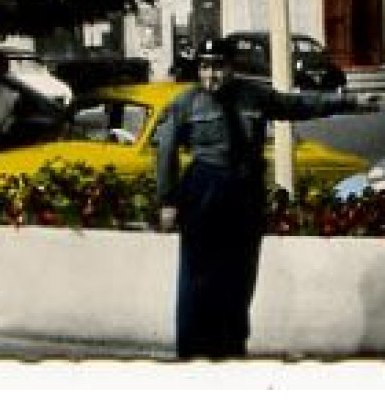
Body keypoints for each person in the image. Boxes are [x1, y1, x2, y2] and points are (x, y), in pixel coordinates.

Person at [155, 35, 373, 360]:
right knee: (198, 276)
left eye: (218, 68)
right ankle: (191, 350)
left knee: (241, 275)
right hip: (205, 190)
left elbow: (297, 105)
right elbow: (166, 152)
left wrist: (348, 103)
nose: (211, 76)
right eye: (204, 68)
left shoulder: (253, 95)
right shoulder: (186, 103)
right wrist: (168, 200)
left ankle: (231, 347)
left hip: (245, 193)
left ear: (231, 67)